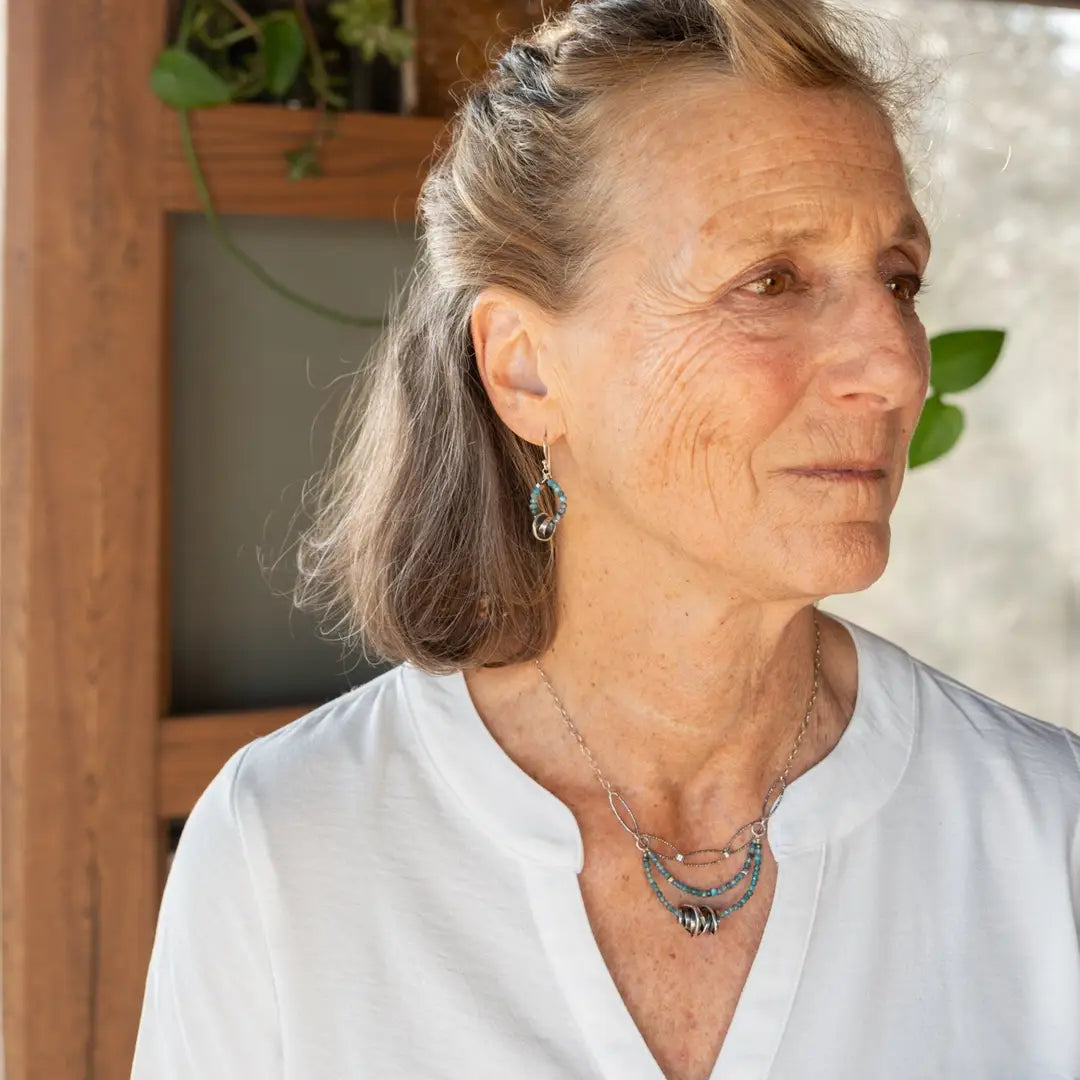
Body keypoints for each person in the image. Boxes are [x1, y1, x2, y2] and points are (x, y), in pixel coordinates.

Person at [130, 1, 1080, 1077]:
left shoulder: (1044, 839)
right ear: (525, 369)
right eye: (771, 280)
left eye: (898, 280)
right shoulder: (289, 850)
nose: (898, 366)